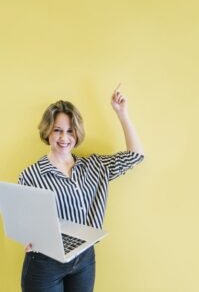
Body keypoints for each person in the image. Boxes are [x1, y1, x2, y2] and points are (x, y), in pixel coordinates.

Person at [18, 84, 144, 292]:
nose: (64, 138)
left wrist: (122, 113)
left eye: (70, 131)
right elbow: (25, 220)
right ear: (47, 131)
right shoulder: (31, 175)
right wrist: (27, 237)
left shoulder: (95, 166)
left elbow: (135, 156)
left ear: (77, 133)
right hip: (45, 263)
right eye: (57, 130)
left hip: (84, 259)